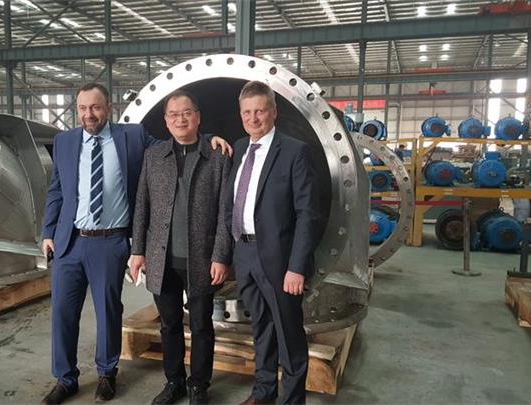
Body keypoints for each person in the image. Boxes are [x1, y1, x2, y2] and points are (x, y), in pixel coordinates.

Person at [40, 83, 231, 405]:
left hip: (109, 240)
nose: (89, 114)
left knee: (108, 311)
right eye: (83, 108)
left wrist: (210, 137)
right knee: (62, 312)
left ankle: (107, 374)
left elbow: (179, 138)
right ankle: (65, 378)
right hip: (69, 241)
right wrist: (48, 231)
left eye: (95, 107)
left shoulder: (133, 137)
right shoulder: (64, 142)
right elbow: (56, 189)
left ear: (109, 108)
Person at [128, 90, 232, 405]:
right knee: (169, 324)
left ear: (197, 117)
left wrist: (221, 255)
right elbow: (142, 206)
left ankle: (199, 385)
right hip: (162, 258)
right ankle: (174, 382)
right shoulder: (154, 156)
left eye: (186, 113)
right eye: (173, 114)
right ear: (166, 121)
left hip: (201, 258)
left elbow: (226, 212)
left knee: (201, 326)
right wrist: (137, 251)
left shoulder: (217, 155)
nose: (180, 119)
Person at [225, 81, 321, 405]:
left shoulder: (294, 151)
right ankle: (264, 392)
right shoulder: (240, 148)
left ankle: (292, 400)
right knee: (261, 327)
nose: (253, 118)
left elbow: (307, 213)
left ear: (274, 112)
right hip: (244, 253)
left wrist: (297, 267)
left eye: (260, 111)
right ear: (241, 115)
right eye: (247, 112)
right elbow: (232, 200)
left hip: (280, 261)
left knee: (288, 333)